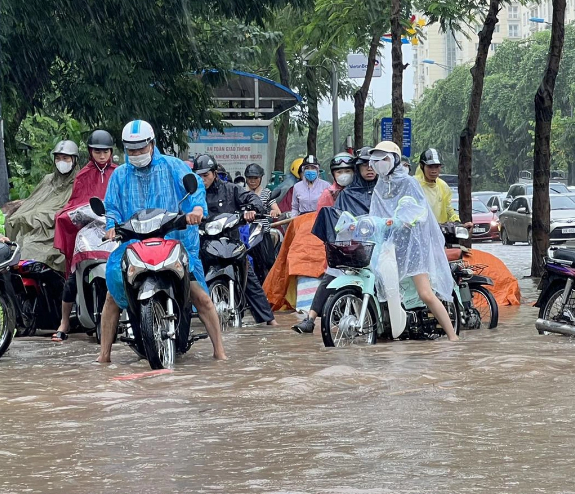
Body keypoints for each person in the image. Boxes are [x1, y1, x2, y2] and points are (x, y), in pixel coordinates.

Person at [97, 120, 226, 363]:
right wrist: (111, 226)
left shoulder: (173, 166)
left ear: (152, 144)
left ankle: (220, 352)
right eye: (131, 150)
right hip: (134, 243)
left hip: (175, 239)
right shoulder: (120, 175)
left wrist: (197, 209)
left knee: (200, 296)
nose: (136, 154)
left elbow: (195, 188)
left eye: (140, 148)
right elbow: (111, 207)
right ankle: (103, 356)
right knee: (112, 296)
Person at [368, 140, 459, 341]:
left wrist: (406, 221)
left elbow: (420, 211)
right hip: (390, 246)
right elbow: (375, 213)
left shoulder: (409, 182)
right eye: (376, 160)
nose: (380, 163)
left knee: (425, 293)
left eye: (384, 159)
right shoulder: (379, 186)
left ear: (395, 159)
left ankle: (453, 337)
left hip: (414, 246)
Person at [294, 148, 377, 334]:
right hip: (352, 245)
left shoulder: (382, 190)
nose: (369, 168)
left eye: (373, 165)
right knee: (331, 273)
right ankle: (310, 318)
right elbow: (332, 223)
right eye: (364, 165)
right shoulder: (342, 194)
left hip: (380, 244)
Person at [192, 154, 277, 326]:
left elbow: (252, 198)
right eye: (198, 176)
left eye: (206, 175)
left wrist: (252, 210)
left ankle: (269, 320)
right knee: (188, 275)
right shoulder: (193, 194)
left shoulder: (231, 189)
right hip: (203, 243)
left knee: (249, 277)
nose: (202, 180)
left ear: (214, 173)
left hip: (230, 242)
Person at [51, 130, 118, 341]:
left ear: (111, 152)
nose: (102, 155)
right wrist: (65, 215)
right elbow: (75, 203)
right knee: (74, 275)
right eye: (97, 151)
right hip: (89, 229)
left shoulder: (120, 173)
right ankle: (64, 322)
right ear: (90, 152)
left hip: (114, 228)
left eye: (105, 151)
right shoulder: (83, 175)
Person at [5, 140, 79, 271]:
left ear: (74, 160)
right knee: (14, 219)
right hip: (32, 223)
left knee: (30, 242)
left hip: (52, 229)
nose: (61, 162)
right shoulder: (48, 179)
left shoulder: (79, 181)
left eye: (65, 158)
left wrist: (41, 217)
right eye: (58, 158)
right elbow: (34, 201)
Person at [415, 148, 461, 226]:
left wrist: (457, 221)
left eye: (436, 167)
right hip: (419, 230)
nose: (434, 171)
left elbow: (448, 209)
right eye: (430, 167)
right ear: (422, 166)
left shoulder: (443, 186)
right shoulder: (414, 184)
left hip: (440, 230)